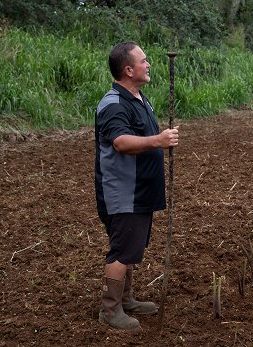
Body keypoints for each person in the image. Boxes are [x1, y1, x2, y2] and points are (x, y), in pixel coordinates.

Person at [94, 41, 179, 330]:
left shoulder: (139, 99)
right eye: (143, 61)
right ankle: (110, 309)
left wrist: (160, 139)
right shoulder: (114, 104)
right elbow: (120, 142)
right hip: (123, 192)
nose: (149, 64)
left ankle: (126, 299)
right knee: (121, 251)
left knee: (130, 248)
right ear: (128, 70)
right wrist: (158, 140)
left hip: (140, 190)